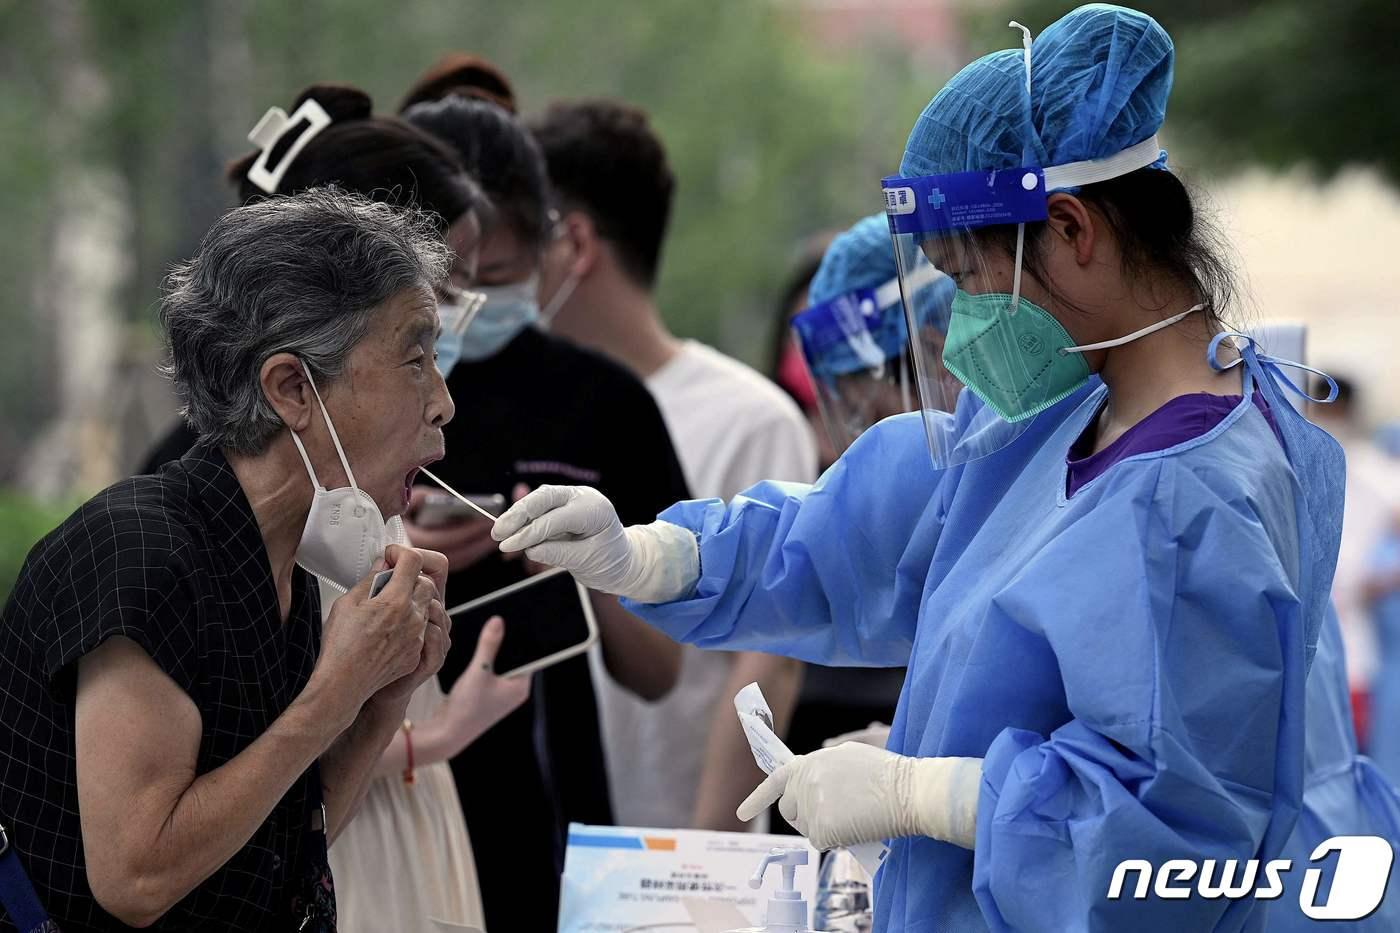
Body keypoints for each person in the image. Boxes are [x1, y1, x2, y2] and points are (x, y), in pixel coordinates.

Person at [488, 7, 1371, 929]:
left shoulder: (1199, 498)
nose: (962, 328)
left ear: (1070, 228)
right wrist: (657, 555)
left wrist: (928, 795)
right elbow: (859, 532)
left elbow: (1167, 841)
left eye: (971, 277)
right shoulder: (1050, 413)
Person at [0, 188, 453, 931]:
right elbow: (138, 876)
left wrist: (381, 700)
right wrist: (335, 692)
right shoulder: (140, 555)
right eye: (415, 360)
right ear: (292, 389)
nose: (442, 402)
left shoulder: (283, 557)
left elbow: (282, 850)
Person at [138, 84, 532, 933]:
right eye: (430, 319)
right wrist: (429, 730)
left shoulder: (357, 471)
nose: (445, 398)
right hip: (331, 861)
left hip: (391, 830)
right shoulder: (194, 514)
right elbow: (170, 824)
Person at [402, 78, 691, 930]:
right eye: (449, 282)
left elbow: (660, 669)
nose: (469, 307)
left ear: (548, 251)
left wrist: (587, 567)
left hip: (551, 817)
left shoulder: (604, 402)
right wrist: (388, 544)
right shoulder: (354, 402)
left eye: (497, 277)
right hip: (390, 795)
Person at [528, 98, 815, 833]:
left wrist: (704, 853)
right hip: (543, 842)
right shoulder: (513, 412)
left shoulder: (750, 419)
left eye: (516, 239)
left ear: (574, 243)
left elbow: (767, 658)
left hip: (678, 844)